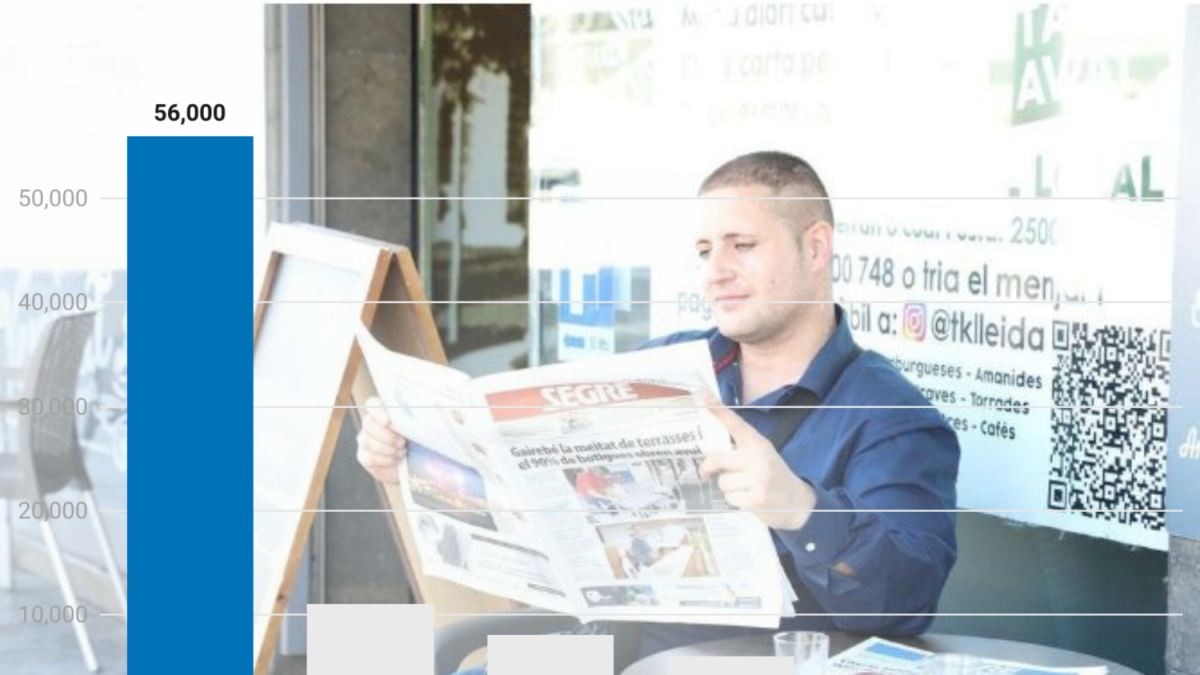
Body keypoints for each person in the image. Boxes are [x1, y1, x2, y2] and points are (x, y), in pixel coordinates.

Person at [356, 151, 960, 672]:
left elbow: (907, 604)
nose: (715, 272)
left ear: (816, 247)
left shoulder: (891, 416)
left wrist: (799, 508)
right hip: (593, 652)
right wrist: (413, 453)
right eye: (704, 250)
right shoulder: (668, 367)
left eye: (742, 246)